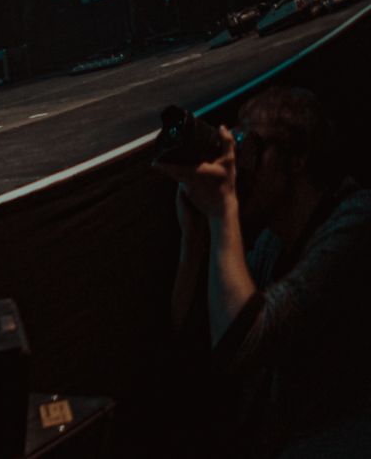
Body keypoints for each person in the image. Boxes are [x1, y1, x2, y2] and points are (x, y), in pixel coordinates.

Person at [158, 85, 371, 456]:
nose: (242, 166)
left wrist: (221, 211)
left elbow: (244, 344)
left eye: (251, 147)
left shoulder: (355, 223)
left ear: (297, 159)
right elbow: (198, 341)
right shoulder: (274, 243)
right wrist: (194, 240)